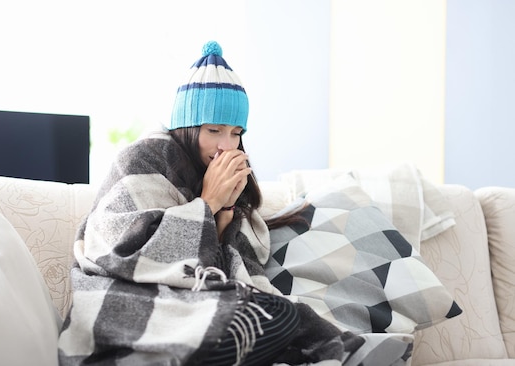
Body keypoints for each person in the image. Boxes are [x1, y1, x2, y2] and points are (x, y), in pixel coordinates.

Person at [58, 41, 362, 366]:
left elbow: (218, 264)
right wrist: (208, 201)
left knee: (285, 315)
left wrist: (224, 210)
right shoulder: (141, 159)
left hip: (192, 301)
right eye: (214, 130)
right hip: (128, 300)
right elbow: (120, 247)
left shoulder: (214, 172)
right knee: (278, 321)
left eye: (236, 133)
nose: (225, 145)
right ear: (186, 126)